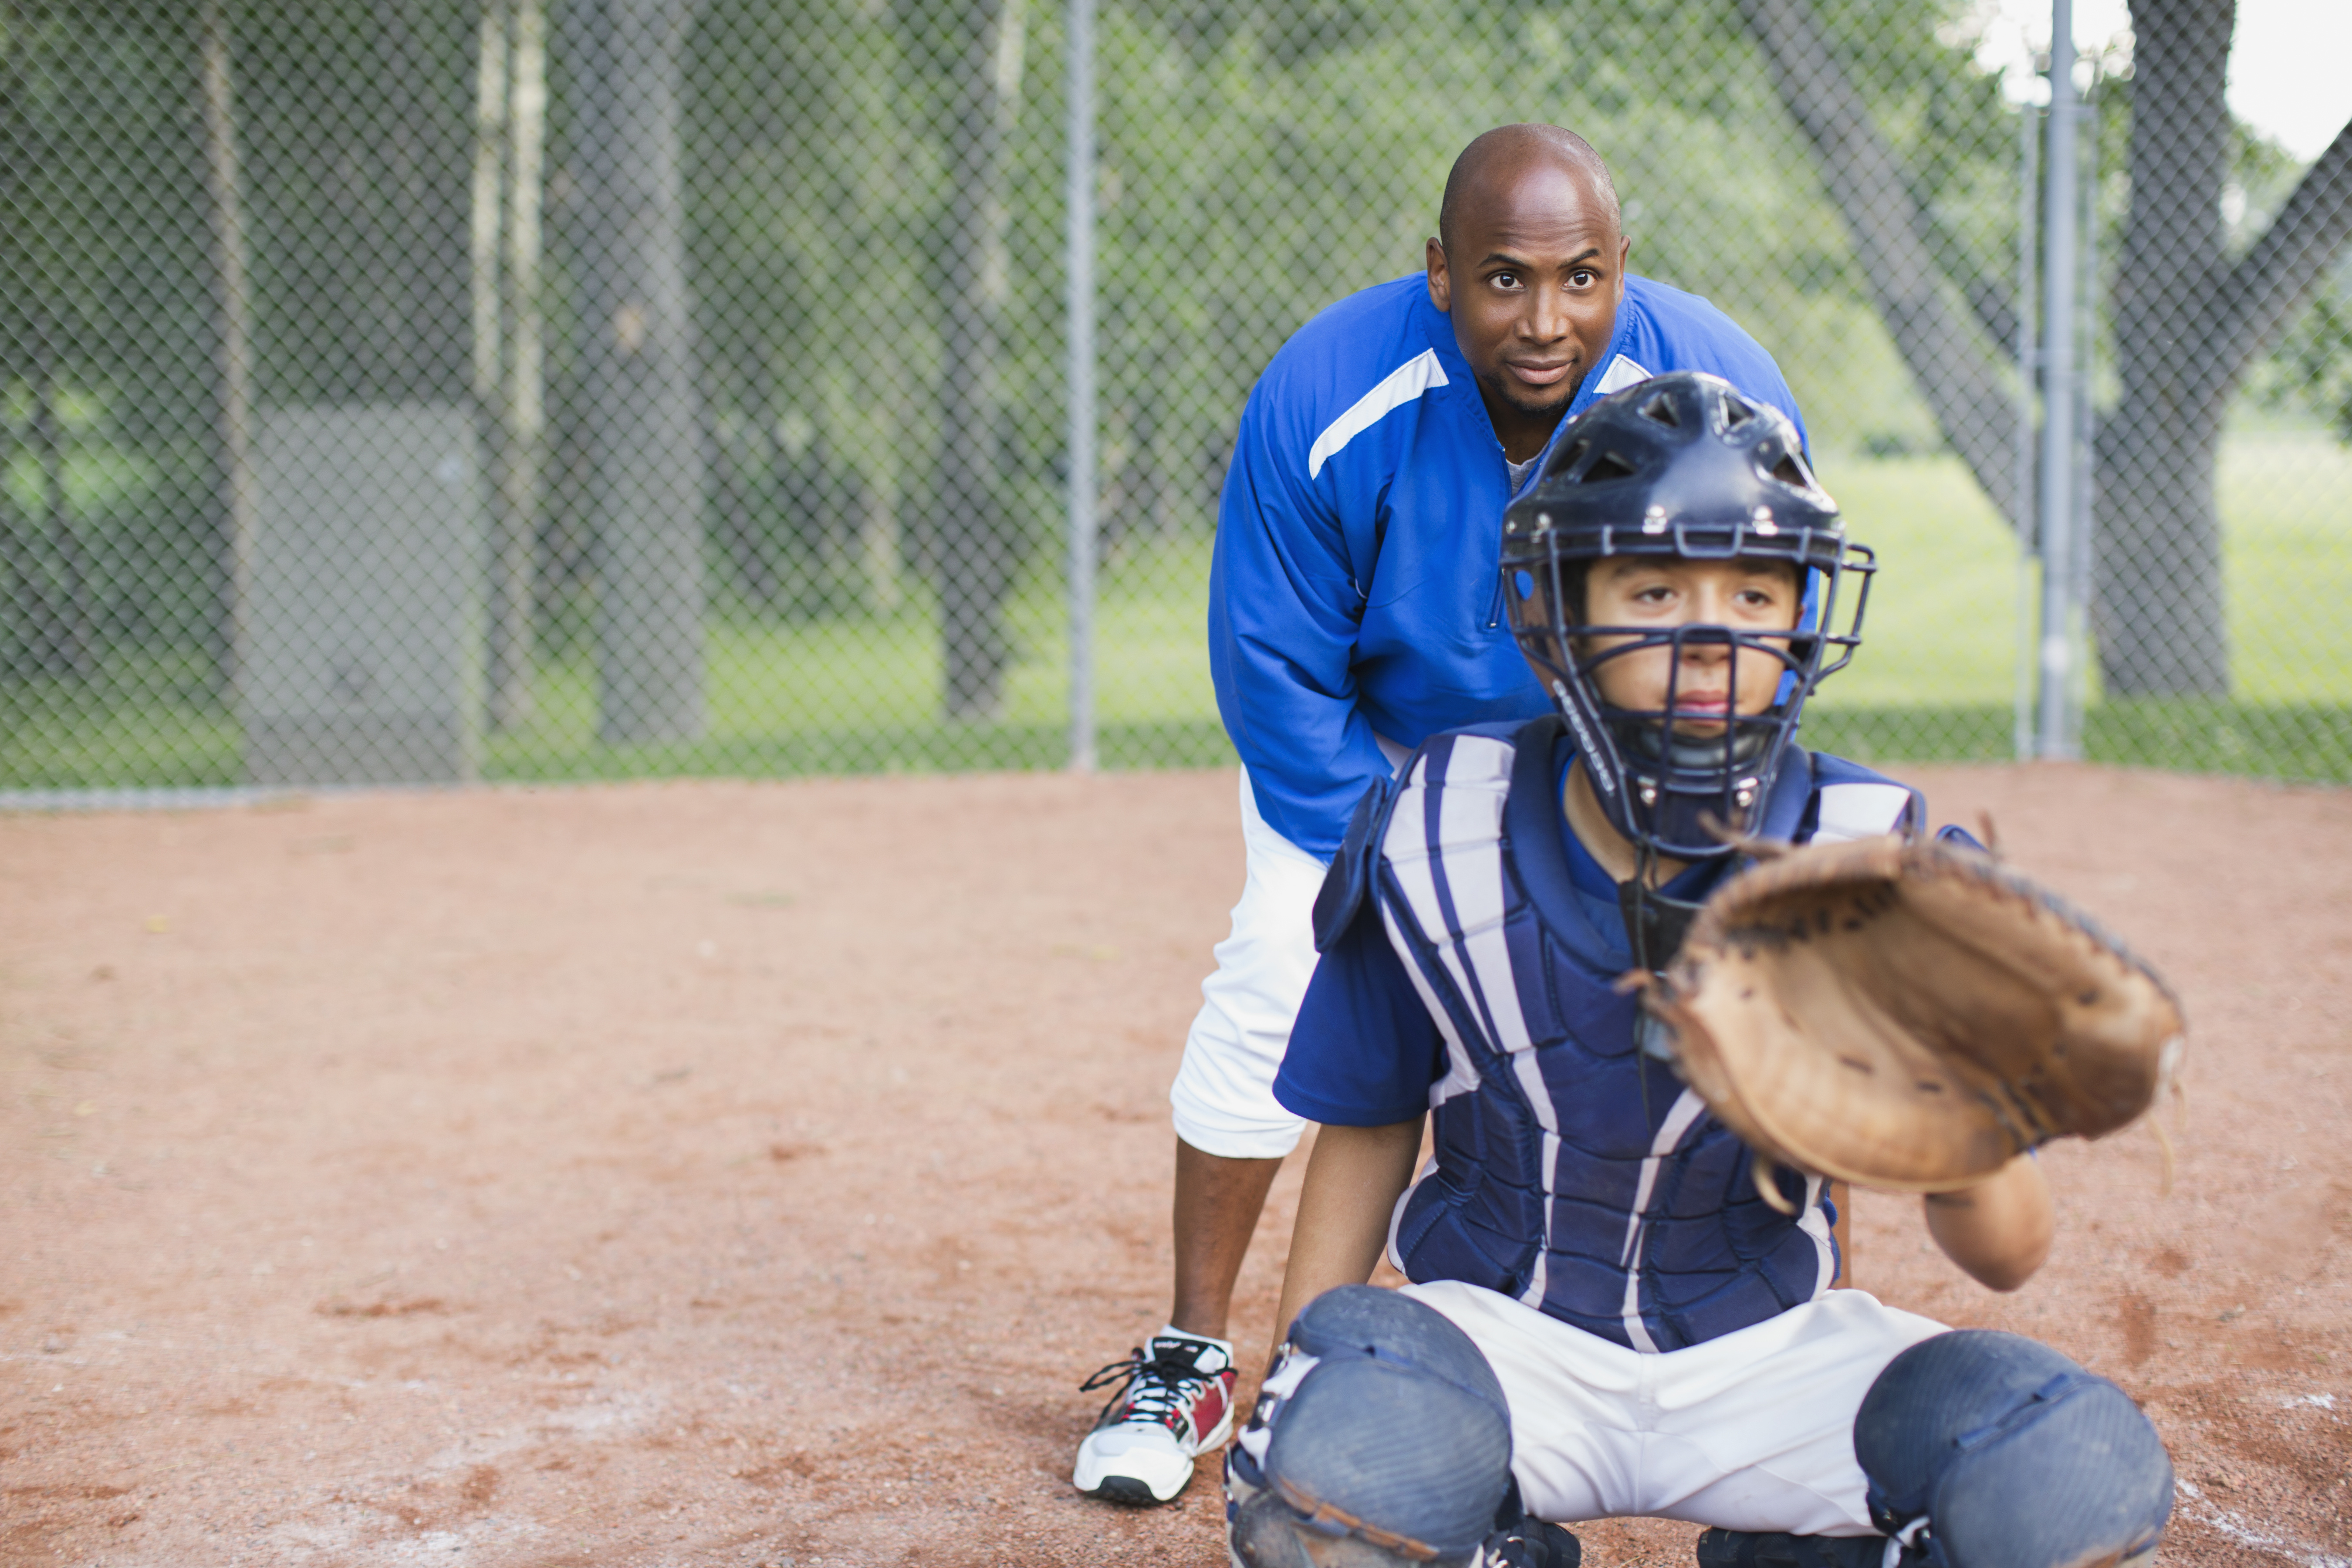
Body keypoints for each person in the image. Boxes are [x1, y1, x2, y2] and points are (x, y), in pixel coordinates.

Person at [1221, 372, 2175, 1568]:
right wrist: (1300, 1368)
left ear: (1806, 616)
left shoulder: (1881, 866)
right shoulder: (1436, 822)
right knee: (1325, 1485)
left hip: (1772, 1355)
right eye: (1656, 587)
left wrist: (1953, 1122)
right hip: (1504, 1346)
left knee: (2069, 1490)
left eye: (1756, 589)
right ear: (1561, 608)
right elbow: (1368, 1123)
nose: (1712, 636)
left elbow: (2011, 1255)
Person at [1074, 122, 1810, 1508]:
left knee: (1659, 1015)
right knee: (1281, 980)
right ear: (1440, 276)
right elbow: (1274, 667)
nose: (1548, 321)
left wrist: (1654, 821)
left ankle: (1651, 1365)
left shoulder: (1716, 389)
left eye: (1582, 279)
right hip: (1370, 760)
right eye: (1505, 281)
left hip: (1607, 767)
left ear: (1622, 269)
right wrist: (1406, 859)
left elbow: (1762, 624)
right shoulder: (1329, 388)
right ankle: (1196, 1357)